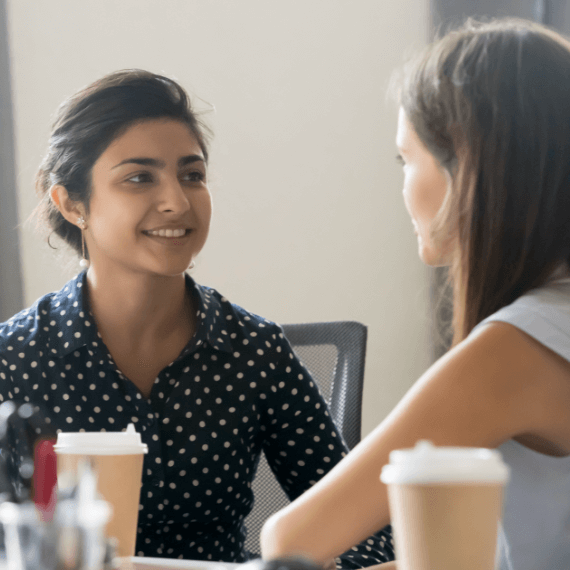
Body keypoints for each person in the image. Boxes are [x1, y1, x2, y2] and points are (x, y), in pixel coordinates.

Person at [0, 69, 394, 566]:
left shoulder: (255, 351)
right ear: (72, 203)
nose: (177, 202)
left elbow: (365, 528)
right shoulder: (13, 359)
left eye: (192, 175)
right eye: (139, 177)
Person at [260, 17, 570, 570]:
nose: (403, 185)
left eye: (407, 160)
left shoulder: (516, 349)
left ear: (467, 170)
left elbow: (291, 541)